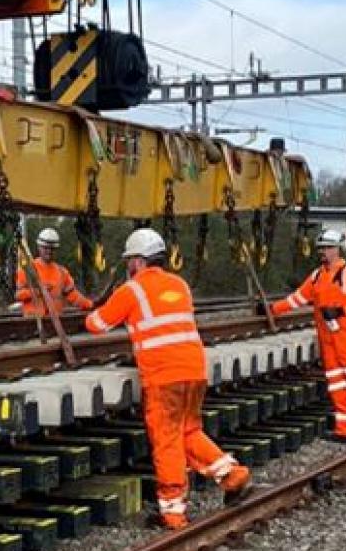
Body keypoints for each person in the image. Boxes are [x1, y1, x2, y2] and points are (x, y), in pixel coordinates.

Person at [86, 227, 252, 529]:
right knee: (188, 430)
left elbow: (96, 324)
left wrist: (102, 303)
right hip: (194, 369)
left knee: (167, 439)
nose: (127, 266)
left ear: (138, 261)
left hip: (164, 375)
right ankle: (233, 475)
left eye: (129, 261)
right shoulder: (180, 284)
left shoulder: (132, 290)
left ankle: (172, 512)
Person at [270, 227, 346, 442]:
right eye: (322, 248)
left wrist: (341, 310)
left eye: (328, 248)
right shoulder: (317, 275)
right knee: (337, 384)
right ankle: (345, 429)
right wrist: (272, 309)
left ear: (338, 249)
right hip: (329, 339)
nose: (323, 252)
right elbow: (298, 298)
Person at [14, 227, 95, 321]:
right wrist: (39, 291)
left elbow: (73, 296)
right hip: (32, 323)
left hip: (56, 323)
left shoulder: (62, 272)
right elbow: (19, 295)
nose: (49, 251)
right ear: (39, 247)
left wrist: (90, 305)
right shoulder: (28, 270)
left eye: (52, 248)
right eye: (46, 248)